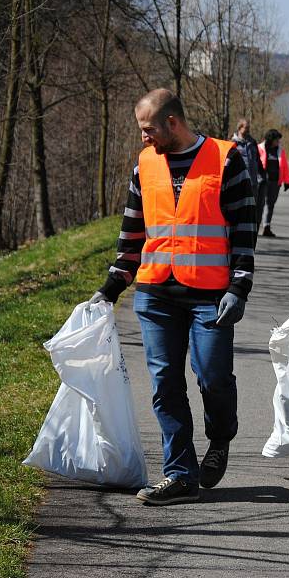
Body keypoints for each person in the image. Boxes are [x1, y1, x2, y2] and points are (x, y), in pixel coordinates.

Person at [88, 89, 256, 505]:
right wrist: (110, 289)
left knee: (212, 376)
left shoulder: (226, 159)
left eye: (148, 130)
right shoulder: (145, 165)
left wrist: (239, 286)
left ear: (172, 124)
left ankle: (219, 439)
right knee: (165, 382)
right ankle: (180, 473)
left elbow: (244, 232)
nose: (144, 138)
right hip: (156, 293)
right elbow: (132, 235)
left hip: (211, 295)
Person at [257, 129, 289, 238]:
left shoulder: (280, 151)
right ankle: (256, 226)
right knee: (260, 204)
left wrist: (286, 181)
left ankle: (266, 227)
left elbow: (284, 167)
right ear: (271, 139)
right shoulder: (260, 148)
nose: (278, 142)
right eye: (277, 140)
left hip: (275, 182)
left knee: (270, 204)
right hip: (262, 182)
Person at [231, 118, 265, 190]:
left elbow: (258, 159)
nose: (248, 130)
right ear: (240, 128)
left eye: (249, 128)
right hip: (239, 183)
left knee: (254, 201)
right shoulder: (232, 143)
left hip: (253, 182)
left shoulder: (253, 142)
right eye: (246, 128)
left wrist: (262, 174)